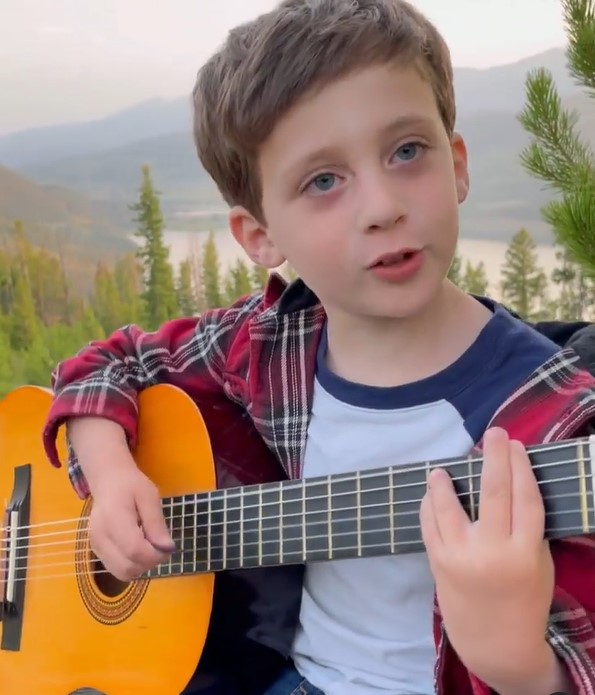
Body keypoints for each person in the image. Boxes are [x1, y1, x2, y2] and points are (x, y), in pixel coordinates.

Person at [41, 1, 595, 694]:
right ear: (259, 236)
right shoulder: (275, 340)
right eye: (323, 181)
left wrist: (517, 662)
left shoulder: (554, 417)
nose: (381, 205)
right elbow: (107, 362)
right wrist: (107, 469)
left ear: (456, 164)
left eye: (406, 151)